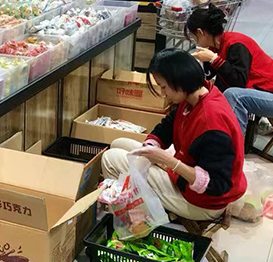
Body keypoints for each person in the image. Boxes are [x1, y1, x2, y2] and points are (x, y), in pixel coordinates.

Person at [102, 49, 247, 220]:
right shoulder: (194, 96)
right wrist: (152, 146)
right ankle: (133, 203)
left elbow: (216, 185)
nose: (163, 93)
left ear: (180, 80)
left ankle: (131, 219)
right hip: (185, 174)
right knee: (119, 143)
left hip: (204, 202)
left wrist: (169, 161)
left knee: (110, 158)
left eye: (164, 87)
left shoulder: (211, 121)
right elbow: (166, 127)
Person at [186, 4, 273, 134]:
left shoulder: (236, 45)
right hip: (269, 94)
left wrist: (214, 60)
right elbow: (216, 81)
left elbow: (238, 82)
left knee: (233, 95)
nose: (194, 41)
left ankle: (233, 143)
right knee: (214, 94)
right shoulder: (216, 47)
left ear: (200, 32)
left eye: (193, 37)